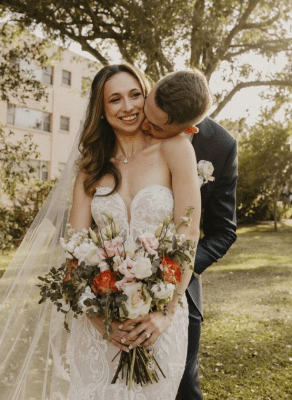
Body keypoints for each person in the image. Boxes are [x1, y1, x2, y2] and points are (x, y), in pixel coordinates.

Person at [0, 63, 209, 400]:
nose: (127, 107)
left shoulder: (175, 148)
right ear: (102, 109)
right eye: (115, 99)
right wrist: (95, 314)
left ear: (148, 96)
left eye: (135, 95)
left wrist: (165, 313)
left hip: (157, 320)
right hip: (99, 320)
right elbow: (76, 242)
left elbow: (188, 234)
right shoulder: (91, 164)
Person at [139, 70, 238, 399]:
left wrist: (174, 270)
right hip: (117, 266)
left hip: (178, 276)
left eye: (155, 127)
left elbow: (224, 231)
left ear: (189, 130)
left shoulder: (221, 147)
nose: (144, 126)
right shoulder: (133, 116)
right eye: (146, 112)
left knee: (183, 383)